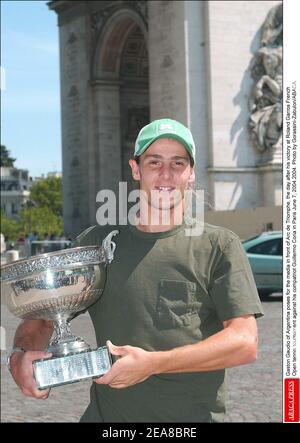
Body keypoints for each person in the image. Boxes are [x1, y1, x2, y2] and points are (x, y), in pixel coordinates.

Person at [7, 118, 263, 423]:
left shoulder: (220, 245)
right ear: (135, 168)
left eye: (177, 163)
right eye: (154, 162)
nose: (166, 174)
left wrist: (154, 363)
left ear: (191, 173)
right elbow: (44, 318)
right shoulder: (95, 244)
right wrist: (20, 356)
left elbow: (245, 342)